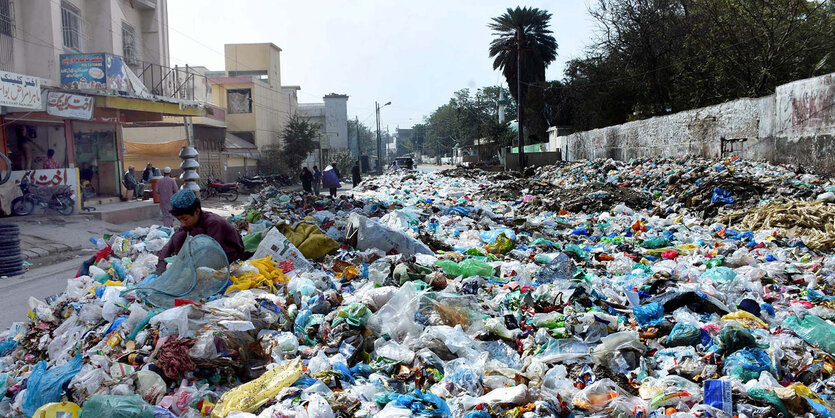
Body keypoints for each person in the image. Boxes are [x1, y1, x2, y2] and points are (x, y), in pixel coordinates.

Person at [156, 189, 246, 274]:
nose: (182, 224)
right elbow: (170, 244)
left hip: (230, 258)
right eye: (180, 220)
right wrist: (161, 267)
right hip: (207, 257)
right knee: (179, 236)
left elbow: (213, 253)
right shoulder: (190, 223)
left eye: (185, 219)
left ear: (196, 211)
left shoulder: (213, 223)